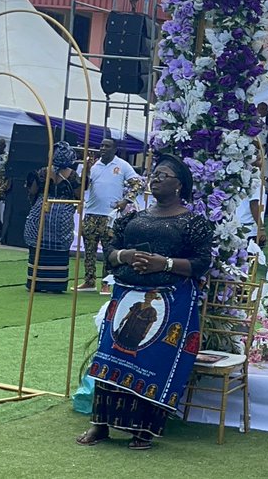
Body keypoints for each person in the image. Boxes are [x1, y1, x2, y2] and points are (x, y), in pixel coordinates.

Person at [77, 154, 213, 451]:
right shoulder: (134, 217)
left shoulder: (193, 223)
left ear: (179, 185)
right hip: (126, 297)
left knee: (153, 362)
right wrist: (125, 256)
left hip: (170, 302)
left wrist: (162, 264)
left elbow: (201, 263)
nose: (156, 178)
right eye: (154, 174)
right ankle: (100, 424)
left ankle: (144, 429)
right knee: (112, 356)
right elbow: (111, 249)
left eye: (164, 175)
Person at [76, 137, 139, 293]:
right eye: (101, 145)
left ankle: (106, 283)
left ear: (114, 149)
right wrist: (86, 169)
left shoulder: (122, 165)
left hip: (110, 215)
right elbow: (82, 186)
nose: (103, 148)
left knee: (108, 250)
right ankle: (89, 281)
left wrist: (126, 200)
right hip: (91, 212)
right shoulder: (93, 165)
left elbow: (138, 183)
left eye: (107, 146)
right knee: (89, 249)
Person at [23, 142, 80, 293]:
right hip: (63, 214)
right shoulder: (72, 175)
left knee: (38, 245)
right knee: (58, 249)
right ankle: (55, 284)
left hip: (42, 209)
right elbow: (79, 195)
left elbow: (33, 190)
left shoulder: (42, 172)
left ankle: (36, 282)